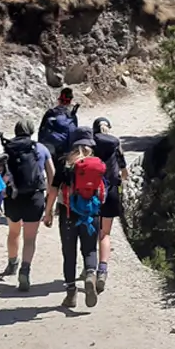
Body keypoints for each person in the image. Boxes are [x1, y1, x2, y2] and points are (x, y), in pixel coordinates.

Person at [44, 127, 106, 309]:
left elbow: (54, 189)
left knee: (68, 253)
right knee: (89, 250)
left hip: (68, 214)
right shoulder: (98, 163)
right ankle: (90, 275)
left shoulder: (65, 163)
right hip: (91, 214)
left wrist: (48, 212)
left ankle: (71, 294)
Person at [1, 119, 55, 290]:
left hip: (13, 197)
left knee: (13, 232)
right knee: (30, 238)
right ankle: (25, 270)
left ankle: (12, 263)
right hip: (34, 197)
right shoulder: (41, 149)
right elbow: (52, 177)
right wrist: (50, 206)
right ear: (32, 131)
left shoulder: (8, 148)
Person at [91, 118, 128, 293]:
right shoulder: (115, 145)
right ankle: (102, 270)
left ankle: (89, 268)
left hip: (91, 194)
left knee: (91, 231)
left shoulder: (89, 145)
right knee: (104, 234)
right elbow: (125, 173)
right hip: (111, 192)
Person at [38, 87, 79, 158]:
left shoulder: (50, 113)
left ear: (59, 100)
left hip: (48, 150)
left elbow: (41, 132)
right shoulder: (72, 117)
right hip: (64, 153)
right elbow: (73, 135)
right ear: (70, 102)